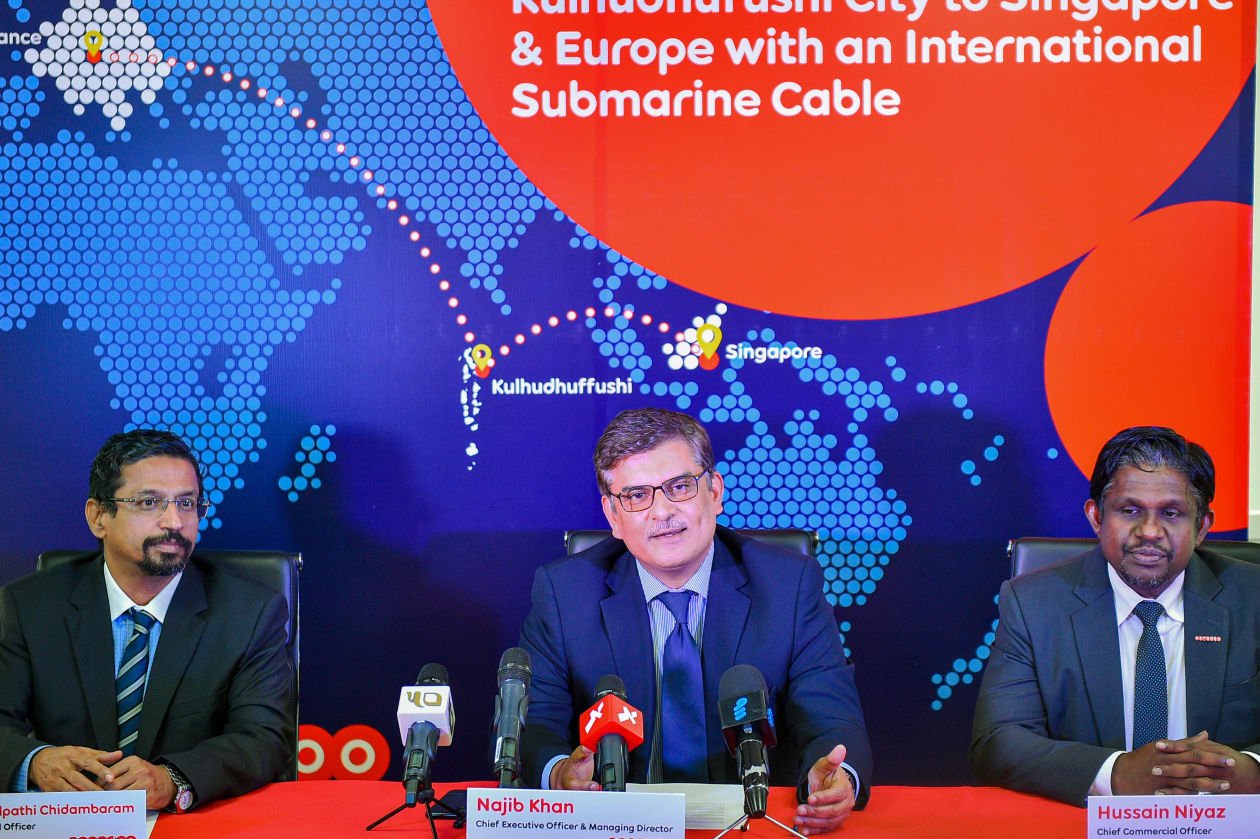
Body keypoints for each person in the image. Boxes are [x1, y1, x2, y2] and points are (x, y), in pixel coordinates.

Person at [519, 408, 872, 835]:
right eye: (637, 496)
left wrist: (836, 777)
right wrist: (559, 773)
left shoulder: (789, 586)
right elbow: (533, 725)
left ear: (715, 491)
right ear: (613, 516)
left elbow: (831, 717)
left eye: (680, 486)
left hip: (751, 823)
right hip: (618, 826)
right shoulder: (564, 594)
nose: (662, 512)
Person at [0, 429, 294, 811]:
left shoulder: (250, 613)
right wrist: (35, 762)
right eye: (150, 502)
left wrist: (173, 779)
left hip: (190, 823)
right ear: (98, 517)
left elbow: (263, 738)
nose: (174, 521)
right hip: (66, 818)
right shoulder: (30, 607)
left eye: (187, 503)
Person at [970, 426, 1260, 804]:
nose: (1150, 531)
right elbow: (997, 742)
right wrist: (1116, 773)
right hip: (1083, 824)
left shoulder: (1253, 598)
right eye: (1130, 510)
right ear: (1096, 516)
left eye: (1171, 513)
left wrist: (1253, 770)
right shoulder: (1033, 604)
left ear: (1202, 526)